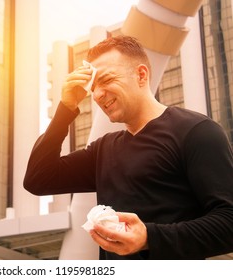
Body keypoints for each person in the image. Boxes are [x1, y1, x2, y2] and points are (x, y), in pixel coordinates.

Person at [23, 35, 233, 260]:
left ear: (141, 75)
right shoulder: (103, 150)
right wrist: (66, 107)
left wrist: (149, 238)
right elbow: (38, 179)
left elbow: (229, 221)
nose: (97, 95)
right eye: (92, 87)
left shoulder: (197, 131)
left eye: (106, 80)